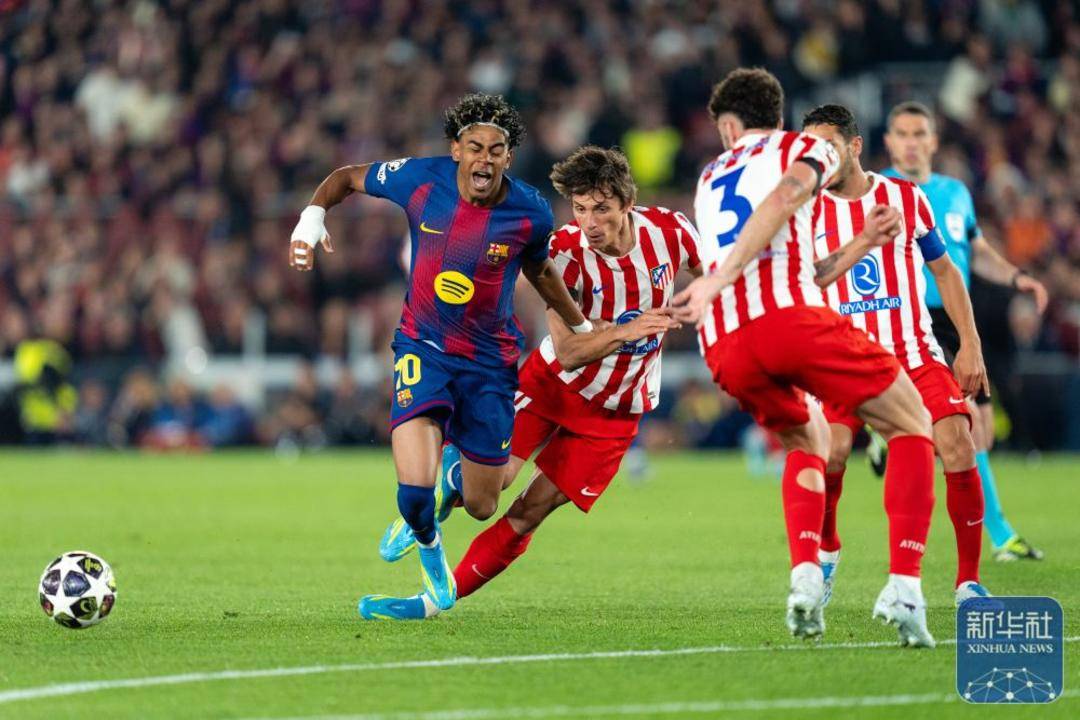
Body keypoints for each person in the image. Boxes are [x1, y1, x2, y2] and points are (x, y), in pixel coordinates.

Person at [359, 145, 699, 620]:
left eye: (601, 209)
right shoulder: (564, 252)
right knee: (489, 488)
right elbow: (569, 351)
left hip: (617, 411)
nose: (590, 222)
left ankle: (435, 600)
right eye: (580, 209)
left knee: (526, 515)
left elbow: (715, 279)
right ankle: (442, 491)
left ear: (628, 202)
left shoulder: (672, 232)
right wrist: (627, 331)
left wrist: (704, 306)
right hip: (550, 384)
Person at [288, 94, 589, 614]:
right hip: (423, 347)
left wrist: (579, 323)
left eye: (496, 149)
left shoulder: (531, 211)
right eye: (475, 147)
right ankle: (429, 546)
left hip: (491, 365)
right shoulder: (420, 179)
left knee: (483, 504)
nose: (485, 158)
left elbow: (539, 269)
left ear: (509, 156)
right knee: (412, 494)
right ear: (456, 150)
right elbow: (345, 178)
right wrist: (311, 219)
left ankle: (453, 479)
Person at [673, 68, 936, 647]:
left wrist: (863, 242)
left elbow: (797, 260)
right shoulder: (804, 146)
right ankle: (905, 587)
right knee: (913, 422)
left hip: (725, 345)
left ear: (728, 127)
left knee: (806, 440)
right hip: (788, 321)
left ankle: (806, 580)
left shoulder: (710, 175)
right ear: (777, 115)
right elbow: (787, 195)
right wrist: (720, 277)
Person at [802, 104, 992, 608]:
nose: (820, 158)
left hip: (912, 353)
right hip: (843, 359)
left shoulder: (906, 198)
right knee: (831, 454)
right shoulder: (807, 211)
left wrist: (970, 344)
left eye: (829, 147)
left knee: (959, 445)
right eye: (811, 150)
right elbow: (809, 280)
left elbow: (946, 271)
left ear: (855, 146)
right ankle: (827, 550)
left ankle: (968, 583)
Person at [882, 101, 1045, 562]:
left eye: (919, 133)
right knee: (965, 419)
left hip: (959, 320)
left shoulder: (955, 192)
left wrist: (1016, 277)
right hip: (910, 318)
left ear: (933, 141)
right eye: (902, 134)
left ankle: (887, 427)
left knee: (984, 432)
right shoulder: (878, 191)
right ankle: (1001, 537)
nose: (911, 143)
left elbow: (976, 251)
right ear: (889, 142)